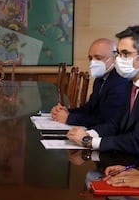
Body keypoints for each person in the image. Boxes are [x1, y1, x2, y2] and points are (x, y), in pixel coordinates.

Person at [67, 25, 139, 154]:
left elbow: (135, 141)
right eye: (119, 53)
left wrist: (89, 141)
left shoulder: (123, 83)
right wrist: (87, 134)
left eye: (126, 54)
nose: (119, 59)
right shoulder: (131, 85)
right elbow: (116, 124)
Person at [51, 38, 129, 127]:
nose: (93, 62)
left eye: (98, 58)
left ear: (115, 58)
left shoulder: (120, 82)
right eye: (90, 58)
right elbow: (89, 109)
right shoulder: (100, 79)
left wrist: (69, 118)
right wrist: (66, 112)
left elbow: (105, 120)